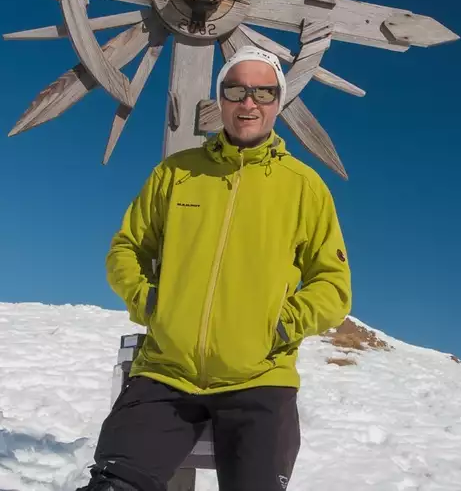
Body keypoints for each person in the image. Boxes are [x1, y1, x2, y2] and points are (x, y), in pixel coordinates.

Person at [77, 46, 352, 491]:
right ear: (220, 100)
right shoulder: (176, 173)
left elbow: (333, 285)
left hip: (259, 382)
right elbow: (126, 249)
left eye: (263, 93)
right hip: (167, 373)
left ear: (278, 103)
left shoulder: (305, 188)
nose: (249, 103)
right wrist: (152, 304)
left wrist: (278, 328)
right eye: (236, 90)